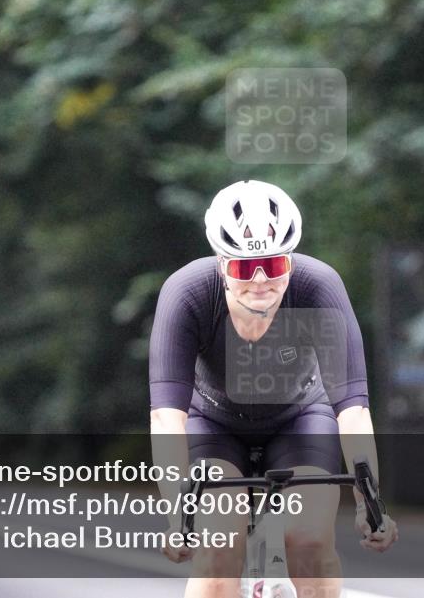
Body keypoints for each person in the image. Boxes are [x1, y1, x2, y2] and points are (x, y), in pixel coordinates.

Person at [149, 180, 398, 598]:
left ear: (291, 263)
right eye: (245, 268)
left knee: (310, 542)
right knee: (217, 550)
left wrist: (368, 504)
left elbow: (352, 410)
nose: (261, 281)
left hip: (300, 418)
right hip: (213, 423)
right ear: (221, 264)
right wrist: (179, 514)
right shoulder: (187, 293)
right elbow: (166, 417)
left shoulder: (319, 287)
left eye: (274, 266)